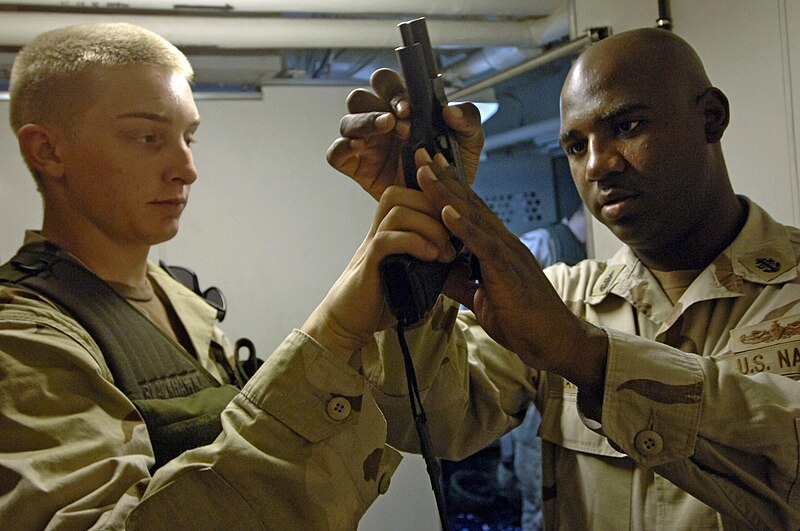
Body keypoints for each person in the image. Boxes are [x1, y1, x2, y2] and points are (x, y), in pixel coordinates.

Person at [328, 27, 800, 529]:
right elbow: (438, 420)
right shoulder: (563, 297)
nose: (598, 164)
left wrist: (584, 355)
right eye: (576, 146)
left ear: (710, 118)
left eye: (628, 125)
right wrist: (424, 236)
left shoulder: (559, 319)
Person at [0, 22, 460, 529]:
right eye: (148, 137)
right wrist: (333, 332)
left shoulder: (178, 296)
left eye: (187, 137)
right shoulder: (22, 337)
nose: (186, 168)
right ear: (47, 150)